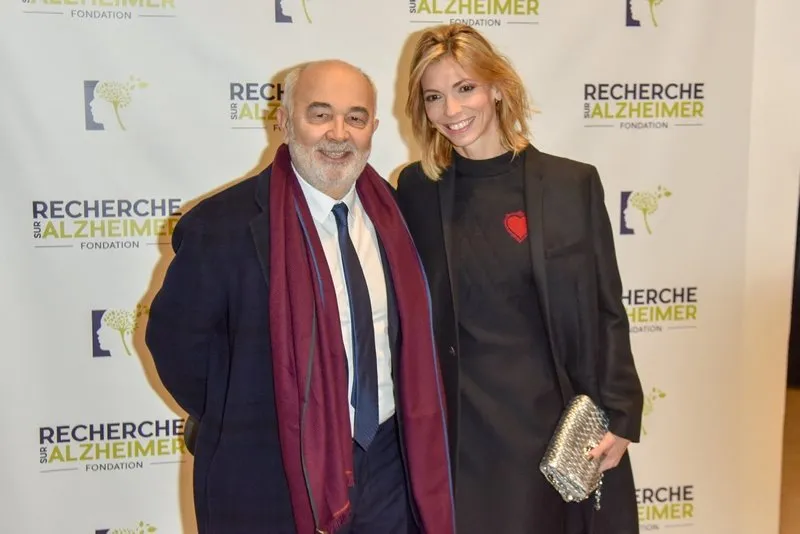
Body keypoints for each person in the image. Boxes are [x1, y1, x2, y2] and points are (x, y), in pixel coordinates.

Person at [146, 59, 455, 534]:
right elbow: (177, 349)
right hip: (273, 473)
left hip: (392, 467)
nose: (338, 133)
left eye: (355, 117)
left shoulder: (400, 217)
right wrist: (250, 417)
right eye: (320, 114)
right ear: (285, 121)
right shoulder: (220, 227)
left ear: (373, 127)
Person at [396, 24, 644, 534]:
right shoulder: (417, 189)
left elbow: (606, 305)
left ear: (497, 87)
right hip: (462, 431)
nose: (451, 111)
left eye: (465, 88)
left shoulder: (570, 183)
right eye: (435, 97)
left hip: (552, 420)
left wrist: (621, 415)